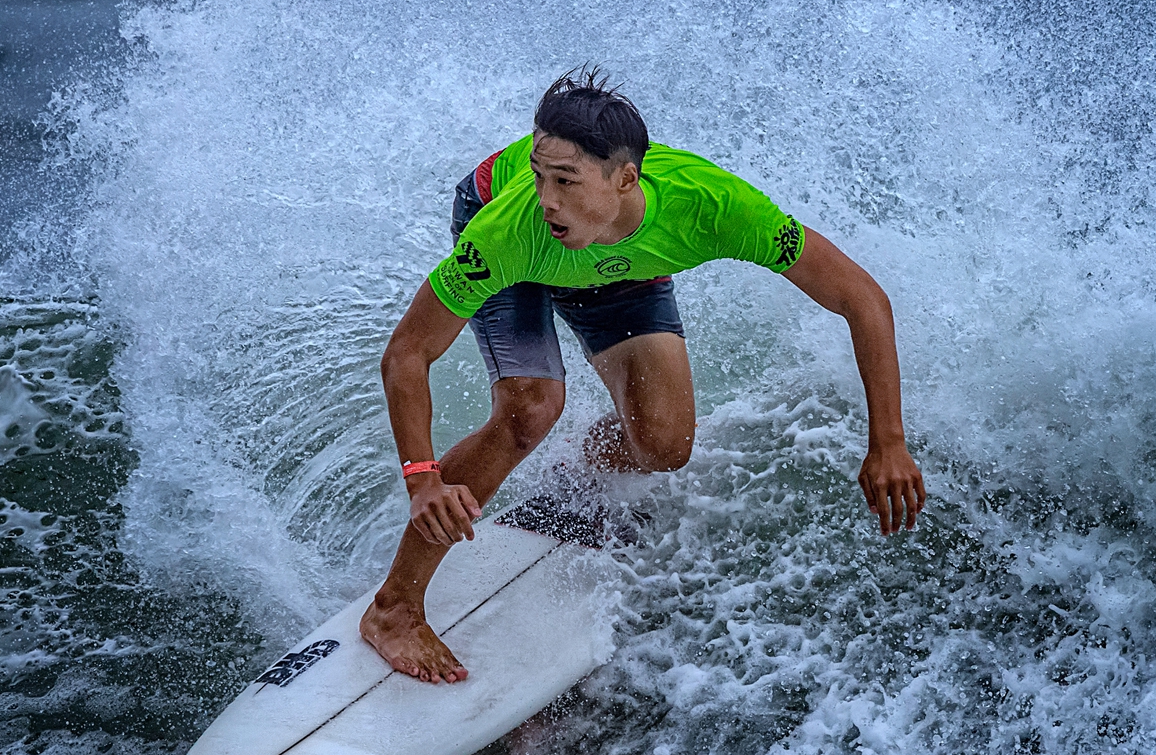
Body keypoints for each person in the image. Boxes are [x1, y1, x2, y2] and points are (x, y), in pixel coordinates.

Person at [360, 69, 925, 683]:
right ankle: (394, 609)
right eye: (540, 175)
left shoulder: (713, 207)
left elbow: (861, 298)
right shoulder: (511, 227)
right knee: (532, 408)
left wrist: (888, 441)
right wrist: (422, 480)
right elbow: (408, 354)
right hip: (530, 256)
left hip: (624, 265)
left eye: (566, 181)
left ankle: (578, 475)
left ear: (626, 179)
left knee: (664, 445)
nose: (548, 196)